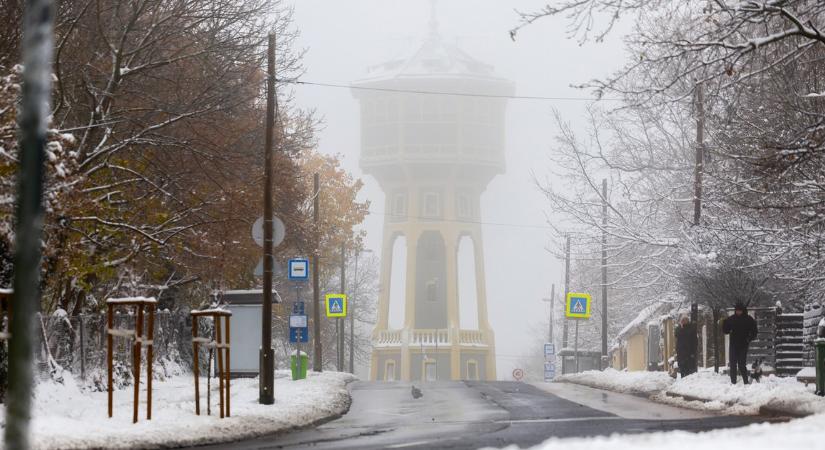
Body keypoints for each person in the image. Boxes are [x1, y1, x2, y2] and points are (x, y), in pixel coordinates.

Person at [723, 302, 758, 384]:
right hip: (733, 345)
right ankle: (733, 382)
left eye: (740, 311)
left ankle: (745, 382)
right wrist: (724, 323)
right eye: (737, 311)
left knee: (742, 364)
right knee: (732, 364)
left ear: (743, 310)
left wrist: (748, 339)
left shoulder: (748, 319)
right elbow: (726, 331)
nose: (738, 312)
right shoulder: (731, 319)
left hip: (743, 345)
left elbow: (754, 331)